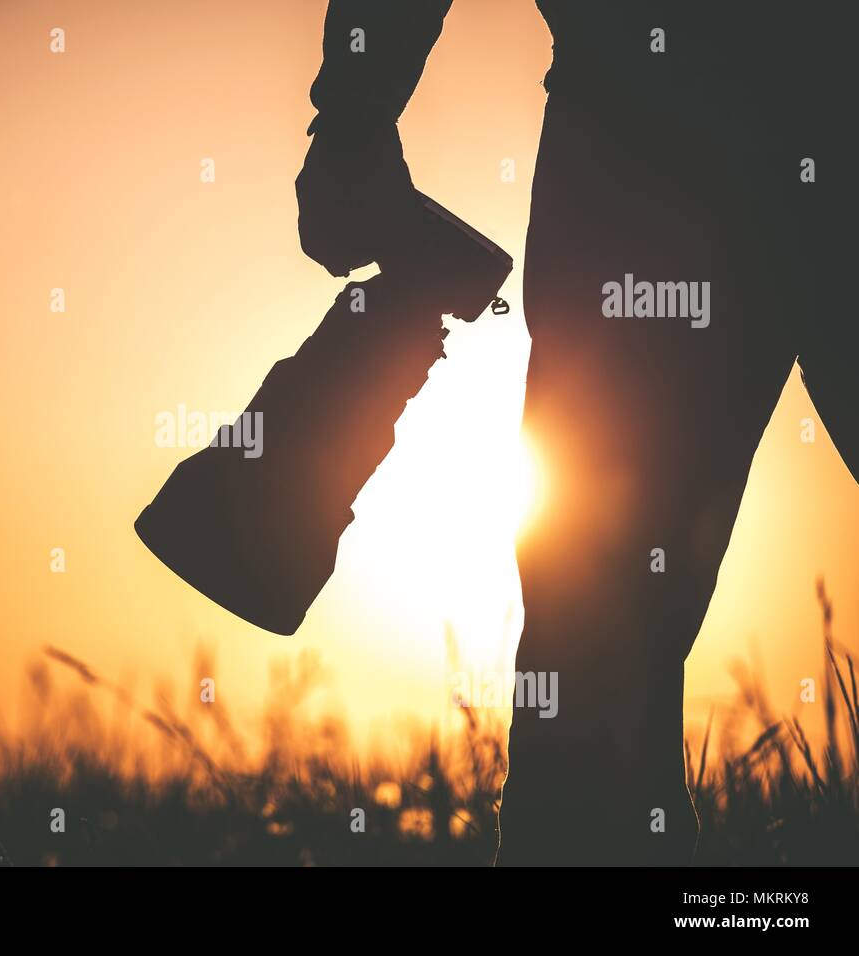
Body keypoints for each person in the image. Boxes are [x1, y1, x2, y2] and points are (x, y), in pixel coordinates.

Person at [297, 0, 857, 864]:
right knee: (600, 620)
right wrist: (354, 113)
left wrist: (354, 115)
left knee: (601, 622)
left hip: (644, 132)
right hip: (659, 132)